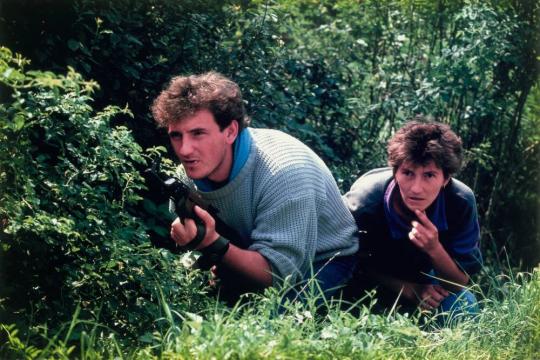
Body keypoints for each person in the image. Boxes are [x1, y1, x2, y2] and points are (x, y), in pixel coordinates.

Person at [151, 71, 359, 302]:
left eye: (198, 133)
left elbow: (279, 276)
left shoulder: (283, 171)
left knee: (276, 323)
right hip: (249, 251)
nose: (185, 149)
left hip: (325, 259)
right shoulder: (187, 175)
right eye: (176, 136)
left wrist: (211, 244)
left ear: (230, 131)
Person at [343, 119, 483, 321]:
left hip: (427, 281)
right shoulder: (365, 201)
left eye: (429, 175)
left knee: (463, 305)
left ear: (445, 179)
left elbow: (459, 282)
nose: (416, 188)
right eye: (408, 173)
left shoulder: (459, 202)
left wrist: (434, 248)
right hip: (367, 283)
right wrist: (409, 289)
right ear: (395, 172)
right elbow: (344, 262)